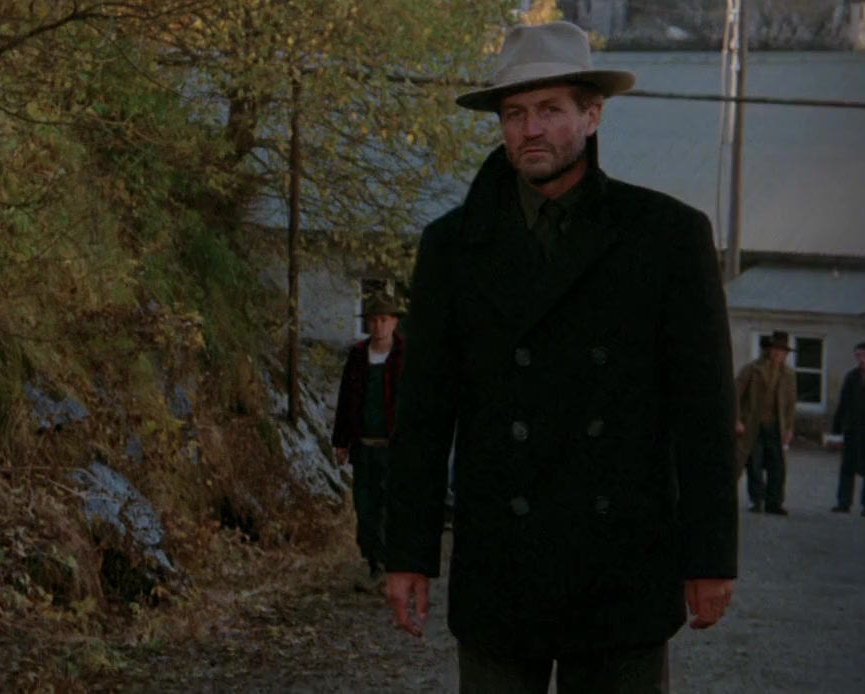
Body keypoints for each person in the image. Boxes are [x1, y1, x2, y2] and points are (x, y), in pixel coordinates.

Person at [381, 22, 738, 693]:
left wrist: (710, 556)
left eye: (550, 109)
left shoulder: (666, 238)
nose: (531, 130)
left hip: (621, 568)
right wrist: (408, 554)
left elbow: (705, 413)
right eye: (515, 114)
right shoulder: (453, 247)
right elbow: (423, 414)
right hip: (501, 568)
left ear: (592, 116)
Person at [331, 293, 404, 582]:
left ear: (394, 322)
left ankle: (385, 566)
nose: (379, 326)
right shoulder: (358, 356)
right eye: (373, 320)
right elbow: (345, 399)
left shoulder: (406, 356)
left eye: (384, 320)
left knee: (389, 506)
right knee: (365, 506)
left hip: (394, 448)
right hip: (363, 447)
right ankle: (373, 560)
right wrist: (341, 442)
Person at [735, 331, 797, 516]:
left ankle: (774, 502)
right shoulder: (752, 370)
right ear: (769, 350)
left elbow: (790, 404)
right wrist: (737, 420)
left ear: (786, 354)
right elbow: (735, 395)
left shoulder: (789, 374)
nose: (777, 353)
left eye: (782, 350)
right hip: (753, 424)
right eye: (775, 349)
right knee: (754, 464)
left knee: (777, 466)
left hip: (776, 426)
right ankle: (757, 500)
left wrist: (789, 428)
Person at [830, 343, 865, 516]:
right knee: (847, 467)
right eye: (858, 356)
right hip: (853, 429)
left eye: (864, 355)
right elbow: (843, 404)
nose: (860, 359)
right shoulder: (852, 377)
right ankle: (843, 502)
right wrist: (836, 431)